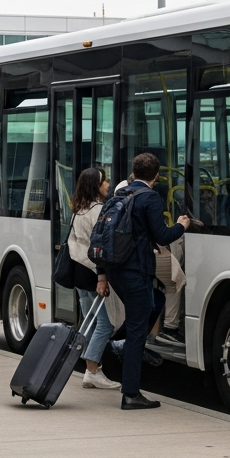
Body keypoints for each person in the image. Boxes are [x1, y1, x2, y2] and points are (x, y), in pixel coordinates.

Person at [99, 153, 190, 410]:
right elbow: (162, 236)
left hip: (116, 271)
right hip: (136, 272)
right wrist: (182, 225)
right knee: (138, 332)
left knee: (156, 301)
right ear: (156, 175)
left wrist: (102, 274)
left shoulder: (118, 196)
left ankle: (120, 339)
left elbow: (103, 237)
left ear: (133, 172)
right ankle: (130, 394)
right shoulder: (149, 197)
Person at [66, 167, 125, 390]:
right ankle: (92, 371)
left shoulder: (78, 210)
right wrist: (104, 276)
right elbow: (101, 246)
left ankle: (83, 365)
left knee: (88, 322)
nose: (108, 184)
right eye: (104, 181)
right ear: (95, 186)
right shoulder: (99, 211)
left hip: (79, 272)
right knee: (106, 324)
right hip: (94, 273)